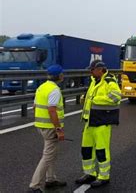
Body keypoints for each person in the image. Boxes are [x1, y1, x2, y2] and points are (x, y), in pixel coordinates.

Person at [75, 60, 121, 188]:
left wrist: (96, 100)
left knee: (101, 150)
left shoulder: (109, 81)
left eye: (92, 69)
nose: (91, 71)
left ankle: (104, 176)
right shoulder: (94, 81)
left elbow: (116, 97)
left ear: (100, 69)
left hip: (102, 121)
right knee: (86, 150)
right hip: (89, 122)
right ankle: (89, 173)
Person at [29, 65, 67, 193]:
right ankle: (35, 186)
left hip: (41, 126)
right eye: (62, 74)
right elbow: (52, 110)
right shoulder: (55, 90)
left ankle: (50, 179)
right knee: (47, 156)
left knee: (51, 154)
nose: (63, 76)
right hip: (50, 127)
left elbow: (34, 106)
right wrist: (58, 129)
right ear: (59, 76)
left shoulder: (42, 87)